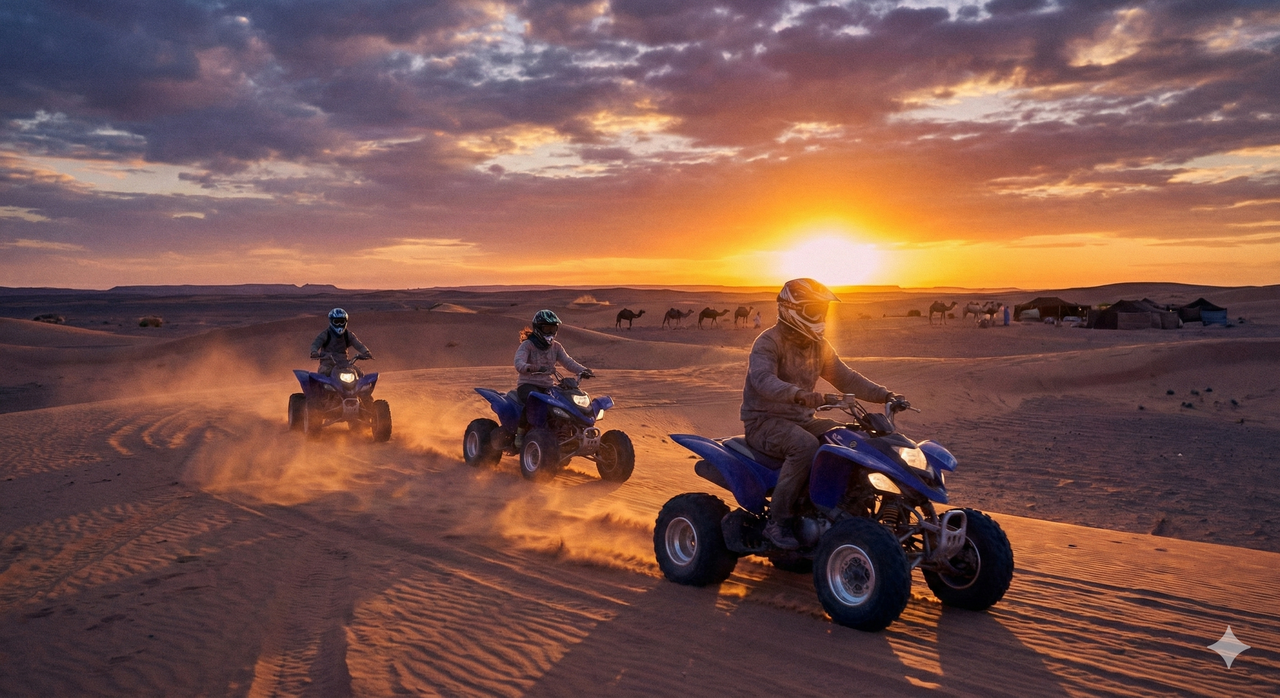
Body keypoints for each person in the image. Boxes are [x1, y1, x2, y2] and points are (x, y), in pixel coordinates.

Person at [742, 279, 903, 550]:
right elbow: (762, 379)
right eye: (813, 310)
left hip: (803, 420)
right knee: (803, 446)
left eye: (822, 310)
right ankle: (777, 522)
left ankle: (842, 505)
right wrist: (797, 393)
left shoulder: (818, 345)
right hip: (764, 421)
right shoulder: (768, 342)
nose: (820, 316)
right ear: (793, 309)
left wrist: (885, 395)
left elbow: (846, 379)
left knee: (852, 437)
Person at [513, 310, 593, 447]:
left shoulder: (556, 346)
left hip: (548, 385)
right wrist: (531, 367)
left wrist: (583, 370)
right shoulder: (527, 345)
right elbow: (518, 362)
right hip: (527, 384)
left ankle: (564, 433)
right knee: (533, 401)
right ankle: (520, 434)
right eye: (547, 328)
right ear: (538, 328)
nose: (550, 332)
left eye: (553, 328)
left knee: (564, 403)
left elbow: (568, 362)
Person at [309, 308, 372, 376]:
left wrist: (366, 352)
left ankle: (362, 387)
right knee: (324, 374)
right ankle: (320, 387)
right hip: (327, 363)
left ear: (346, 322)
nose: (339, 324)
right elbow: (315, 344)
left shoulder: (348, 335)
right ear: (331, 322)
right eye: (336, 322)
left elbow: (358, 344)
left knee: (359, 373)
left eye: (342, 321)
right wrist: (314, 352)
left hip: (344, 364)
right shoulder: (326, 334)